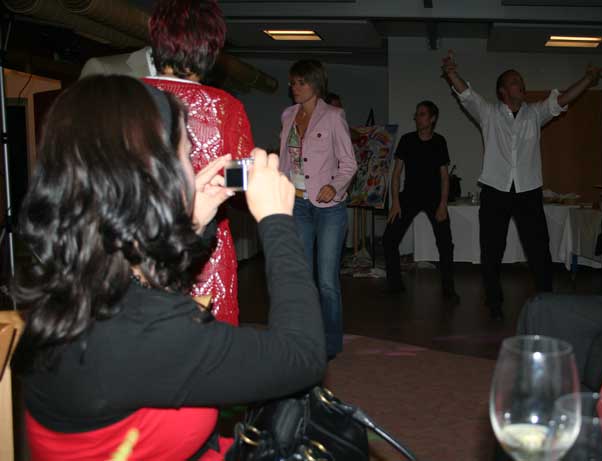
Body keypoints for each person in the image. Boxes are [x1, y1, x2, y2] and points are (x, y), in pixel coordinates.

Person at [11, 75, 325, 461]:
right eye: (184, 156)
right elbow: (302, 355)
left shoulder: (71, 283)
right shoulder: (146, 329)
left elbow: (144, 285)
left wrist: (190, 225)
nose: (191, 168)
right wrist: (277, 222)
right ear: (155, 176)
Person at [441, 50, 602, 320]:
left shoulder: (535, 113)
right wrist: (451, 73)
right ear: (503, 91)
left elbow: (562, 99)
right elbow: (466, 95)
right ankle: (494, 303)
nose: (521, 84)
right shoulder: (489, 113)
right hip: (495, 190)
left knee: (539, 250)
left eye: (521, 81)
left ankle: (547, 301)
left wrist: (588, 79)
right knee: (491, 250)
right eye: (515, 81)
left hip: (528, 191)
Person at [144, 0, 254, 326]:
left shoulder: (122, 99)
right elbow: (242, 191)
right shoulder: (226, 108)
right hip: (206, 254)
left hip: (136, 249)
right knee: (208, 347)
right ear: (210, 50)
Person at [278, 59, 357, 359]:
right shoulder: (288, 115)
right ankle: (305, 337)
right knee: (302, 278)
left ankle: (331, 343)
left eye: (300, 82)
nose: (294, 88)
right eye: (292, 83)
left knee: (326, 281)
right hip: (298, 204)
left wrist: (334, 186)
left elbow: (349, 163)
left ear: (314, 83)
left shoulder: (334, 116)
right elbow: (285, 162)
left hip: (329, 208)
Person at [383, 100, 459, 303]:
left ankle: (448, 289)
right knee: (389, 239)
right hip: (409, 196)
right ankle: (395, 285)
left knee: (445, 243)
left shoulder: (439, 141)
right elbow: (396, 174)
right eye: (417, 114)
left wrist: (443, 204)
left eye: (422, 114)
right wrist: (395, 202)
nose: (417, 117)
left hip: (434, 198)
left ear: (432, 118)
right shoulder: (407, 140)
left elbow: (444, 177)